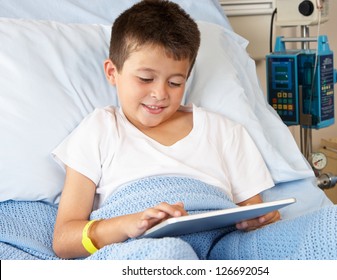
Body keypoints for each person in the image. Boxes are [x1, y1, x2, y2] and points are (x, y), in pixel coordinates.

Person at [51, 0, 279, 259]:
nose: (159, 94)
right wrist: (127, 224)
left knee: (333, 226)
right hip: (138, 248)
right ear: (112, 72)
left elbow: (255, 213)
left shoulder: (224, 131)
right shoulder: (100, 129)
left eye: (174, 82)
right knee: (170, 255)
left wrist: (263, 219)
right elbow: (64, 239)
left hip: (223, 246)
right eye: (145, 79)